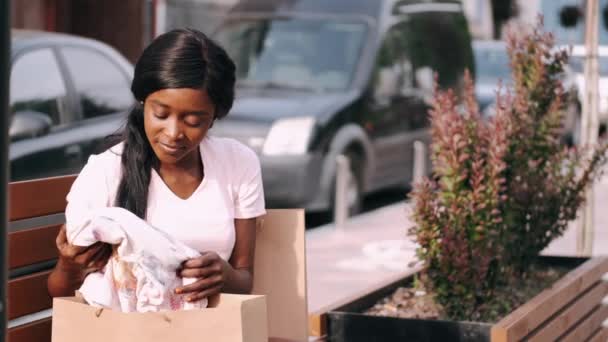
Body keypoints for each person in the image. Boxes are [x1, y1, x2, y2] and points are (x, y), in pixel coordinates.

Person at [47, 28, 265, 304]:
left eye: (194, 120)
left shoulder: (238, 163)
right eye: (160, 114)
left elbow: (245, 280)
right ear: (142, 102)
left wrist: (226, 276)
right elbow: (61, 294)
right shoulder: (106, 172)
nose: (174, 132)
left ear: (214, 117)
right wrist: (69, 266)